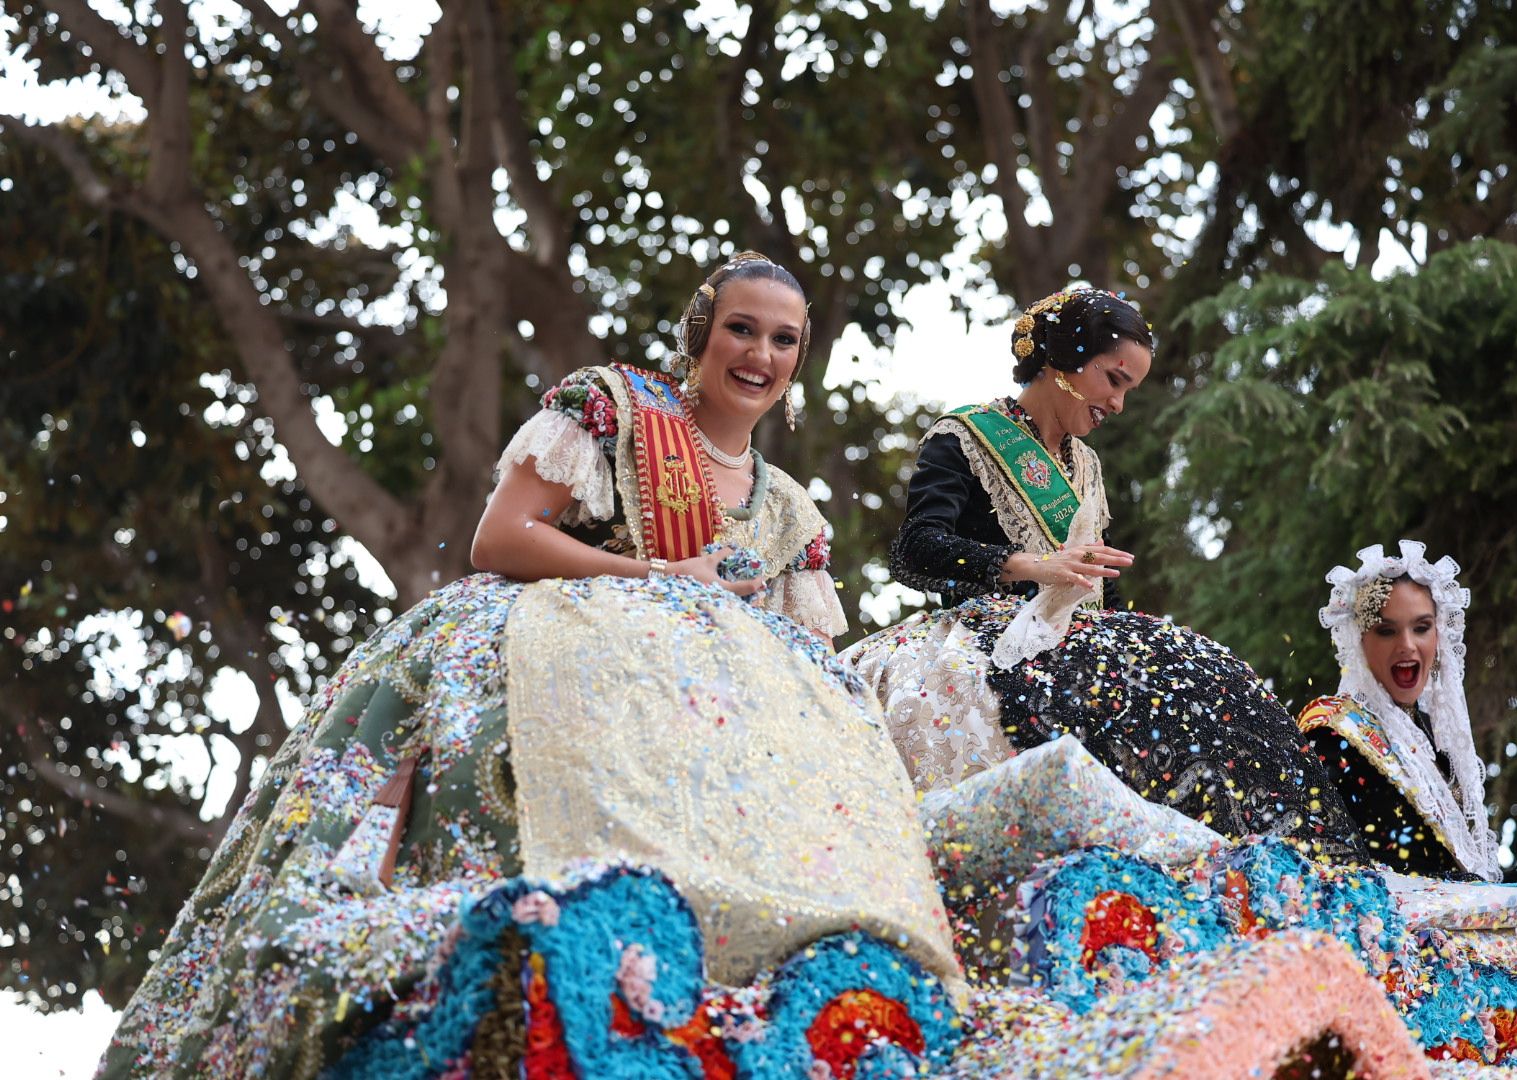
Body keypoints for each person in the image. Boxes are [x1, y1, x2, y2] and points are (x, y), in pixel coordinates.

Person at [96, 253, 956, 1078]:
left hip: (699, 739)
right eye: (741, 329)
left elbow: (804, 665)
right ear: (700, 333)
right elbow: (498, 539)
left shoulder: (791, 511)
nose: (759, 355)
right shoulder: (615, 411)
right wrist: (653, 577)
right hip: (556, 658)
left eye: (782, 340)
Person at [842, 286, 1365, 858]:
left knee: (1205, 688)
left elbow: (1098, 588)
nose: (1118, 405)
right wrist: (1032, 567)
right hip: (989, 642)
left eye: (1129, 390)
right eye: (1113, 380)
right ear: (1064, 357)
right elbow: (915, 549)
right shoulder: (965, 437)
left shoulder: (1086, 465)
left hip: (1078, 645)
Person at [1300, 540, 1517, 884]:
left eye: (1421, 627)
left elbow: (1475, 890)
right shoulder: (1333, 733)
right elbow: (1336, 880)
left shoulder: (1432, 740)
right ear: (1360, 641)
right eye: (1387, 630)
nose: (1407, 645)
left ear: (1439, 636)